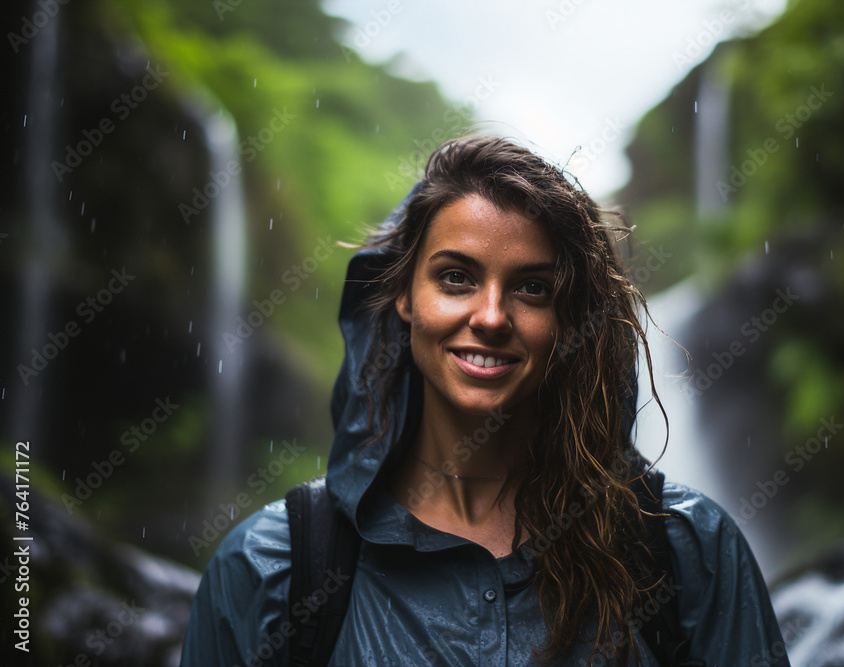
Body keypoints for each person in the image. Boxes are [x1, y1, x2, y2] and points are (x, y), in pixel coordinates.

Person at [180, 136, 789, 666]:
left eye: (532, 288)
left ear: (568, 319)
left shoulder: (684, 552)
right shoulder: (274, 571)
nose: (491, 316)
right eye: (456, 277)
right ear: (404, 296)